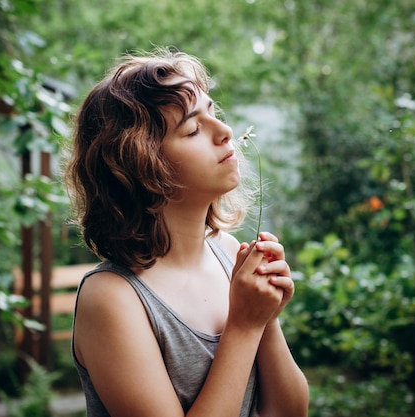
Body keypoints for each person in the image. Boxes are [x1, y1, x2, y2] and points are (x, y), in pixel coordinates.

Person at [64, 47, 309, 417]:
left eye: (213, 113)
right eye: (193, 128)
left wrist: (264, 318)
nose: (225, 132)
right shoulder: (113, 298)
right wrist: (243, 324)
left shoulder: (228, 252)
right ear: (143, 167)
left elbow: (288, 413)